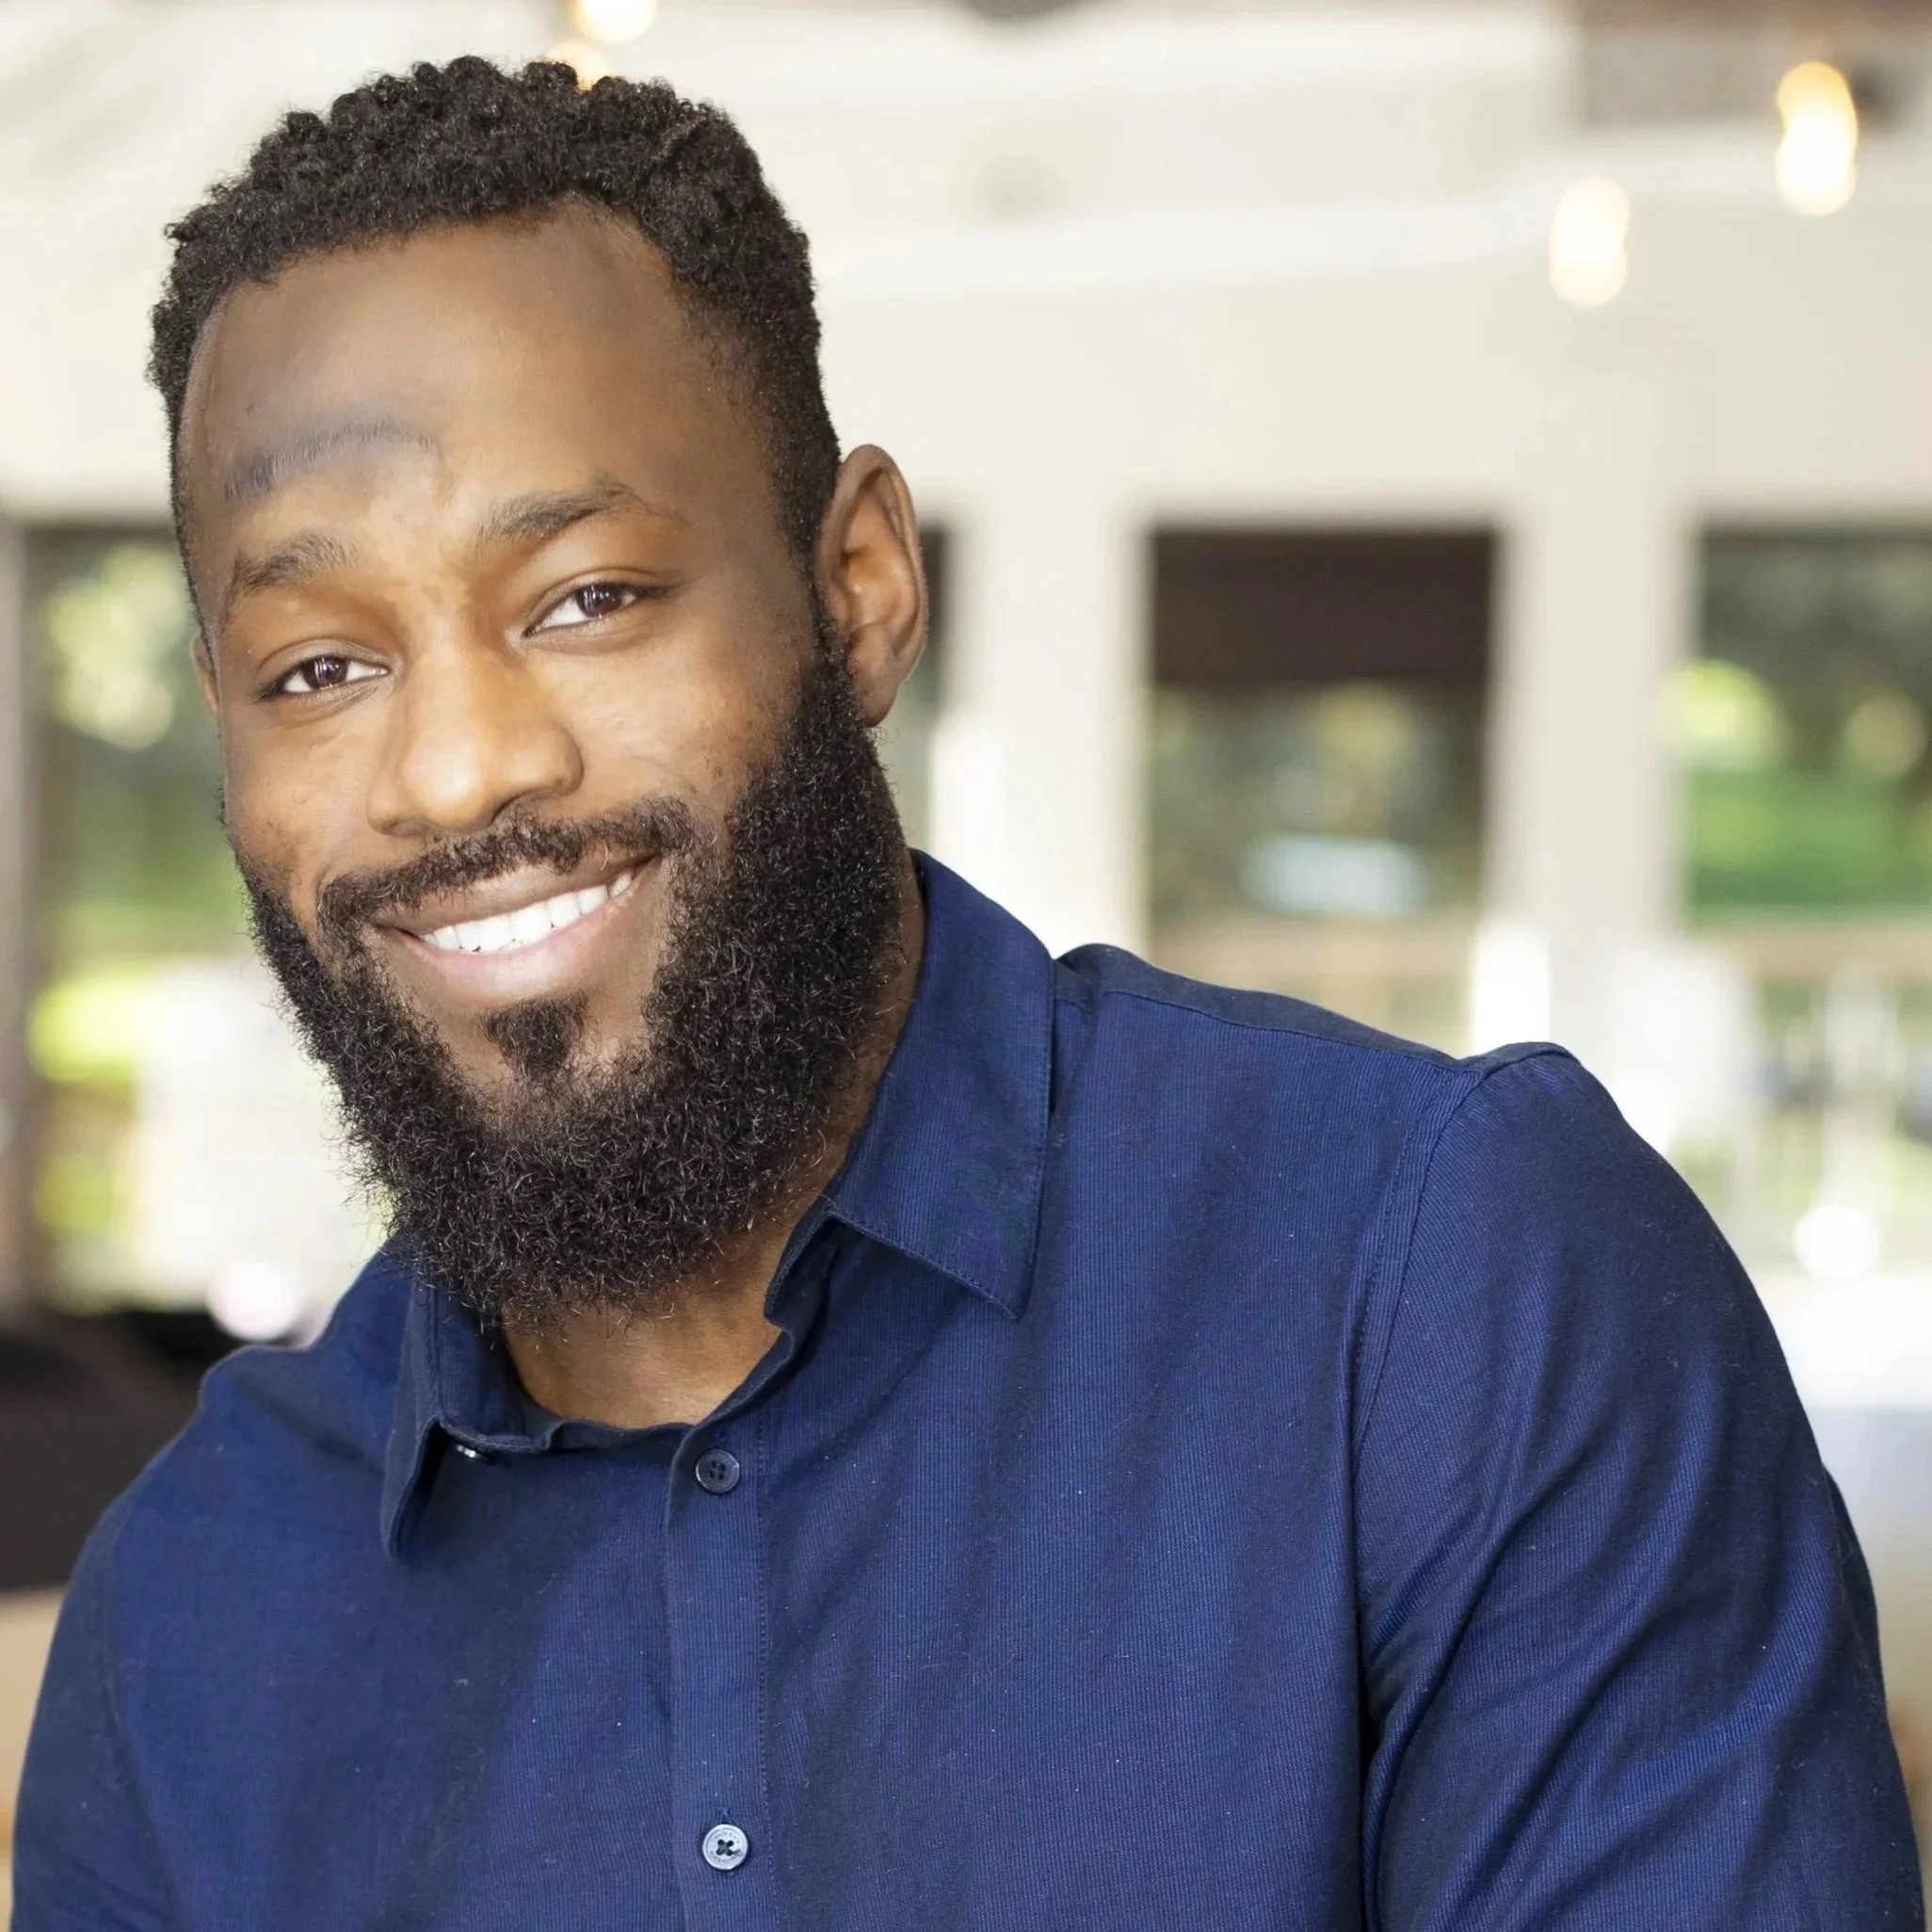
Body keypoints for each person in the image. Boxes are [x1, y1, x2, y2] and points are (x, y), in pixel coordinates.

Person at [12, 56, 1922, 1931]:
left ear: (858, 589)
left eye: (584, 599)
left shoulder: (1447, 1293)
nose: (453, 771)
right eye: (320, 667)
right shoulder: (189, 1621)